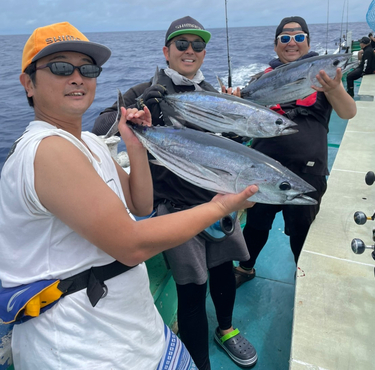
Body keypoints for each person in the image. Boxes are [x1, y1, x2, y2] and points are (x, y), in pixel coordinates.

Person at [0, 21, 259, 370]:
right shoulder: (46, 150)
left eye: (87, 69)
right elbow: (131, 244)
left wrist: (136, 146)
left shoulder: (89, 144)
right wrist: (223, 206)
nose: (77, 77)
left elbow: (141, 205)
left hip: (138, 333)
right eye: (61, 67)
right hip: (83, 349)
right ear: (28, 83)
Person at [93, 16, 258, 370]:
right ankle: (199, 361)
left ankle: (226, 330)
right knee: (193, 286)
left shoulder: (214, 96)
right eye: (181, 44)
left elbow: (232, 148)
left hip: (219, 202)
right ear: (166, 52)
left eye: (197, 45)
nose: (190, 51)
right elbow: (100, 126)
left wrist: (238, 122)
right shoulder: (145, 90)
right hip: (175, 210)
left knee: (225, 271)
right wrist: (141, 109)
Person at [234, 16, 356, 288]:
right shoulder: (260, 80)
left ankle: (301, 272)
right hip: (262, 168)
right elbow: (243, 119)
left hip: (308, 172)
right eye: (285, 38)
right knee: (255, 225)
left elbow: (348, 112)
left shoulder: (325, 75)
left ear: (308, 43)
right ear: (276, 46)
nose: (292, 43)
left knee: (301, 230)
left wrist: (334, 87)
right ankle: (246, 266)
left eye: (299, 37)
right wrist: (232, 101)